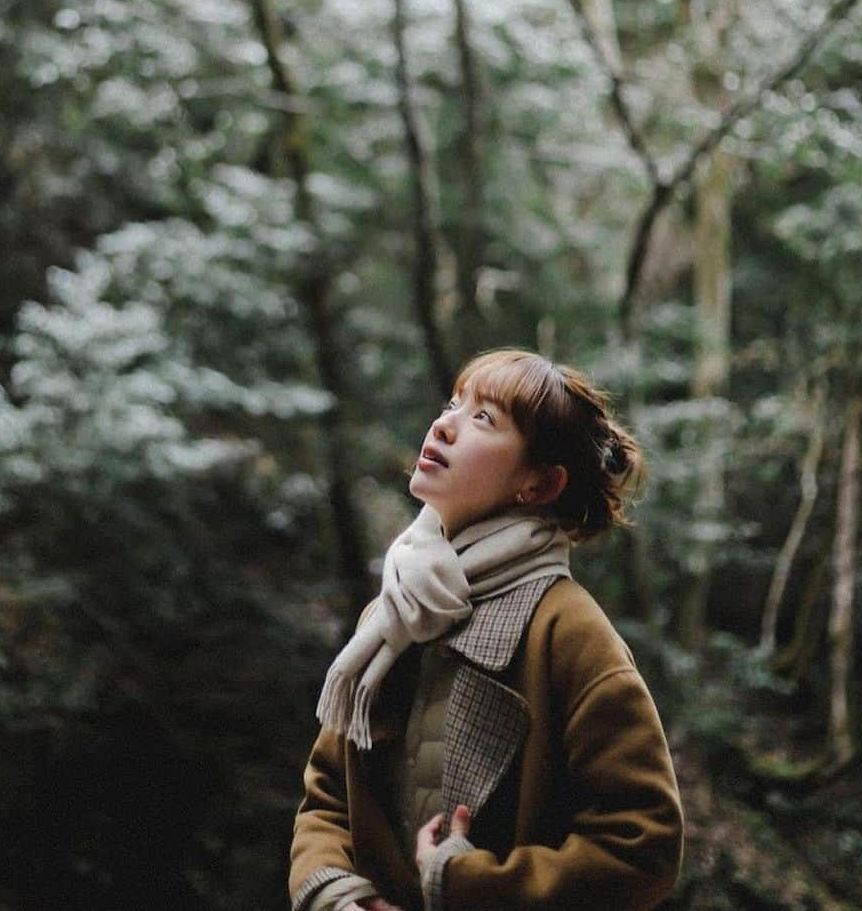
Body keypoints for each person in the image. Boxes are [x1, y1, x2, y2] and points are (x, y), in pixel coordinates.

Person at [288, 347, 684, 911]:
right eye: (453, 404)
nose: (444, 425)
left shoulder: (567, 631)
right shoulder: (392, 614)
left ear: (540, 484)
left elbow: (643, 846)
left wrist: (471, 884)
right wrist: (342, 896)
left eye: (483, 419)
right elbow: (327, 800)